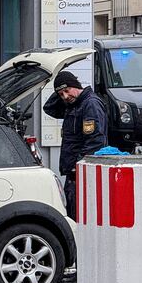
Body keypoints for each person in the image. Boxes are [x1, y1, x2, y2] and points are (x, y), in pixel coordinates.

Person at [43, 71, 108, 219]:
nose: (65, 97)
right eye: (61, 94)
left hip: (82, 172)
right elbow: (49, 108)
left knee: (79, 217)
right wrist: (60, 89)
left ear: (75, 86)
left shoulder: (90, 104)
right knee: (72, 214)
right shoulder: (73, 105)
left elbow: (95, 141)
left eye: (67, 91)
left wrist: (77, 165)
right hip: (75, 173)